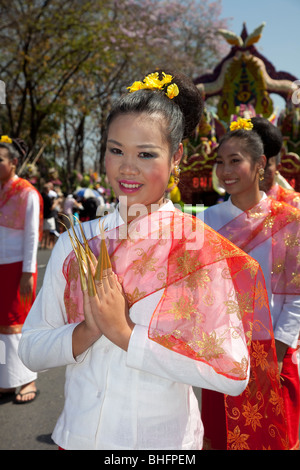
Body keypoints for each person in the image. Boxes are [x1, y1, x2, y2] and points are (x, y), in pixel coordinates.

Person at [19, 73, 284, 450]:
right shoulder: (76, 243)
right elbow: (30, 349)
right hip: (74, 437)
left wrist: (125, 335)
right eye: (115, 150)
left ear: (176, 156)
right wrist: (88, 331)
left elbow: (233, 372)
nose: (127, 168)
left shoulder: (196, 249)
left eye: (146, 154)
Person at [202, 118, 300, 450]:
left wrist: (280, 347)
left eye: (235, 160)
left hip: (272, 349)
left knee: (273, 437)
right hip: (222, 349)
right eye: (219, 161)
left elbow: (295, 294)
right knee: (223, 437)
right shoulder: (205, 221)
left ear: (260, 165)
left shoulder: (288, 219)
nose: (225, 170)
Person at [0, 135, 42, 404]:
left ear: (13, 162)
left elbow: (31, 236)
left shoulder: (28, 193)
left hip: (18, 268)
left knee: (17, 323)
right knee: (1, 327)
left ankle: (28, 378)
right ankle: (6, 380)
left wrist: (28, 272)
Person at [250, 116, 300, 210]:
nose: (259, 171)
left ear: (278, 167)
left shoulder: (294, 203)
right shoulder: (236, 200)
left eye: (266, 166)